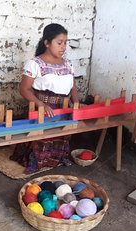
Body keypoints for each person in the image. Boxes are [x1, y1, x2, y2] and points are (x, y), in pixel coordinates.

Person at [10, 23, 81, 174]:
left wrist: (77, 104)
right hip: (43, 110)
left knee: (61, 135)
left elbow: (73, 87)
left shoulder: (68, 64)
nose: (63, 47)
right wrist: (40, 104)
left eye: (65, 43)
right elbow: (24, 89)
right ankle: (36, 161)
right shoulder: (35, 64)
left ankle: (58, 158)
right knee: (42, 137)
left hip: (63, 110)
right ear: (47, 43)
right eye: (59, 43)